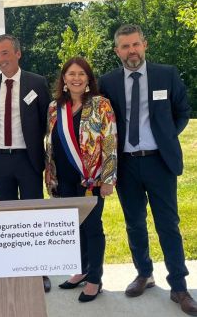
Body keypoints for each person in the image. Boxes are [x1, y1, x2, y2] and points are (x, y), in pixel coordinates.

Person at [99, 24, 197, 316]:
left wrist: (165, 136)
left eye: (136, 45)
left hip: (159, 162)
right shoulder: (108, 82)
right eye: (125, 46)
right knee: (134, 223)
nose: (132, 51)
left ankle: (179, 286)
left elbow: (182, 110)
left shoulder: (166, 74)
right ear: (117, 51)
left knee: (168, 224)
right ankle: (144, 273)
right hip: (127, 164)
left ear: (145, 44)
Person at [45, 57, 117, 302]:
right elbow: (51, 145)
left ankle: (95, 279)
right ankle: (83, 269)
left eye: (81, 74)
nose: (76, 78)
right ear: (64, 79)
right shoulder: (55, 107)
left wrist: (108, 178)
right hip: (63, 180)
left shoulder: (100, 104)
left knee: (93, 229)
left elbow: (110, 142)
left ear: (88, 79)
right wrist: (51, 177)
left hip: (91, 181)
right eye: (71, 74)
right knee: (76, 229)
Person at [0, 34, 52, 292]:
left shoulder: (36, 82)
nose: (1, 59)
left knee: (33, 216)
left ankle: (39, 270)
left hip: (28, 159)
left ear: (18, 53)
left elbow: (47, 120)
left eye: (5, 53)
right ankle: (12, 268)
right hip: (0, 159)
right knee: (7, 218)